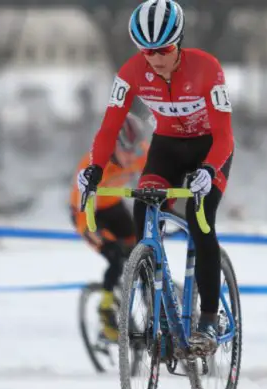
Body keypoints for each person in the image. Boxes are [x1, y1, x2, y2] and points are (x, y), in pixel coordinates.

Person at [76, 0, 234, 357]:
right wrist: (95, 169)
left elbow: (225, 135)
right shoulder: (131, 72)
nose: (156, 59)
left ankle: (209, 317)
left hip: (210, 150)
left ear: (177, 42)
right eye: (147, 51)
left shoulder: (207, 68)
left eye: (163, 50)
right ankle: (159, 314)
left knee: (200, 220)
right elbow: (109, 127)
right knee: (143, 214)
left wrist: (209, 171)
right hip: (167, 148)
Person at [70, 112, 149, 344]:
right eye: (127, 150)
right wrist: (100, 238)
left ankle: (145, 300)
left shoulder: (139, 152)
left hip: (113, 205)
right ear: (113, 145)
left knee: (142, 246)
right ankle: (106, 312)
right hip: (87, 212)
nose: (131, 156)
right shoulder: (93, 164)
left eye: (136, 150)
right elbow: (82, 209)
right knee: (115, 255)